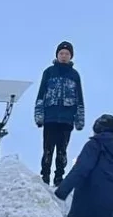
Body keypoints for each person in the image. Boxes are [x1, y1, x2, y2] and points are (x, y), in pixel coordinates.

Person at [33, 40, 86, 186]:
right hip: (50, 117)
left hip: (67, 119)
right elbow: (41, 95)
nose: (64, 56)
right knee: (48, 149)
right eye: (61, 53)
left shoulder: (74, 75)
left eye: (67, 53)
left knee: (62, 150)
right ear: (57, 55)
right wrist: (39, 116)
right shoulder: (49, 72)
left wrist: (79, 119)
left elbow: (79, 98)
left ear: (71, 56)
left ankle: (59, 178)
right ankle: (45, 176)